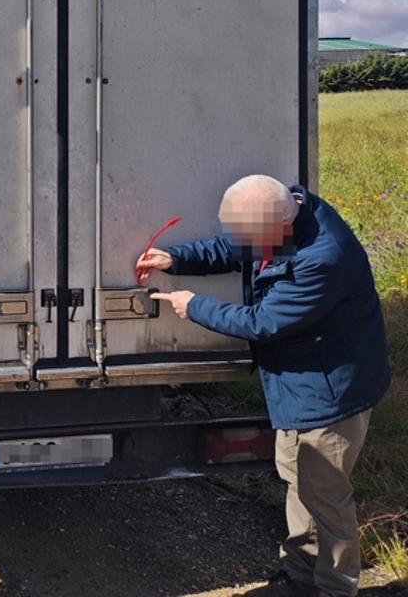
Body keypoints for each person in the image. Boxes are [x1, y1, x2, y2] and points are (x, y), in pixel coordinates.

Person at [138, 175, 391, 597]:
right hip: (298, 385)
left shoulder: (323, 257)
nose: (242, 246)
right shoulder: (284, 213)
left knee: (325, 497)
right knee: (298, 480)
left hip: (328, 394)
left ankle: (332, 588)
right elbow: (232, 248)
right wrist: (176, 259)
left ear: (281, 228)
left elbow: (262, 322)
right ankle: (300, 576)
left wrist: (192, 304)